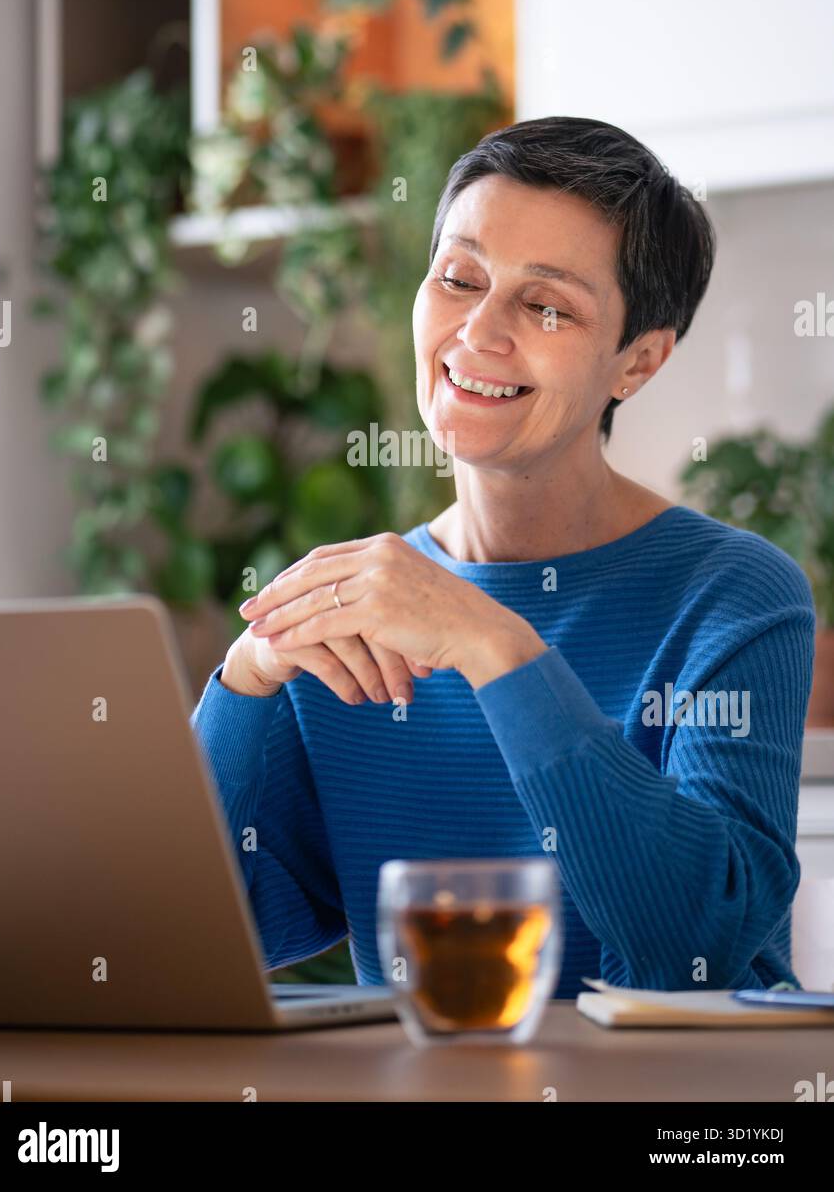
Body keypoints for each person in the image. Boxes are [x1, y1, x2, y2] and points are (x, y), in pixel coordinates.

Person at [191, 117, 814, 997]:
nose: (479, 331)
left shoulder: (735, 598)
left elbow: (693, 941)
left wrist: (499, 650)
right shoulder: (360, 609)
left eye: (546, 304)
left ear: (636, 362)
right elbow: (212, 935)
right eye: (459, 278)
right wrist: (247, 679)